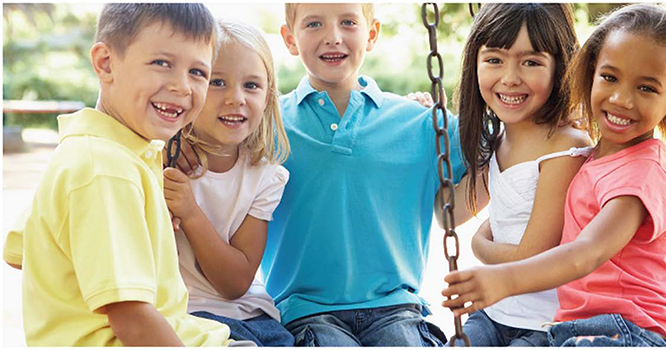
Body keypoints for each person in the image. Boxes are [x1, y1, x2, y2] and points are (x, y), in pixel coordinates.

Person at [442, 4, 666, 347]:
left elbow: (586, 252)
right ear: (588, 74)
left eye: (646, 88)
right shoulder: (593, 157)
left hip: (630, 333)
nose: (621, 99)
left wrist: (504, 279)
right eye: (609, 78)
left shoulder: (643, 175)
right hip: (582, 329)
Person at [1, 4, 232, 346]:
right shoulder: (105, 170)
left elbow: (21, 251)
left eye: (198, 72)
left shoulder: (97, 150)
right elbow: (133, 321)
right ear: (106, 63)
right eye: (161, 63)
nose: (183, 86)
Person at [270, 3, 466, 346]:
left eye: (348, 22)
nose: (333, 37)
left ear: (371, 33)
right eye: (314, 24)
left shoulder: (417, 121)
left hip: (396, 308)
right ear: (289, 38)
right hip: (305, 312)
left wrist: (557, 123)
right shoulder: (268, 126)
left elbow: (499, 144)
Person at [449, 3, 592, 347]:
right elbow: (451, 212)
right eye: (494, 60)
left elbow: (532, 258)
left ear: (561, 67)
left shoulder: (566, 148)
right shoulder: (498, 140)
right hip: (494, 313)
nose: (510, 77)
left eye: (531, 62)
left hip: (545, 324)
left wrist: (479, 244)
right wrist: (423, 129)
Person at [163, 19, 294, 347]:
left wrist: (191, 214)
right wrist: (165, 140)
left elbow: (235, 282)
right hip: (188, 316)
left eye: (251, 86)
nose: (236, 98)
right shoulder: (162, 159)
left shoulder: (265, 176)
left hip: (255, 318)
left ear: (267, 97)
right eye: (217, 82)